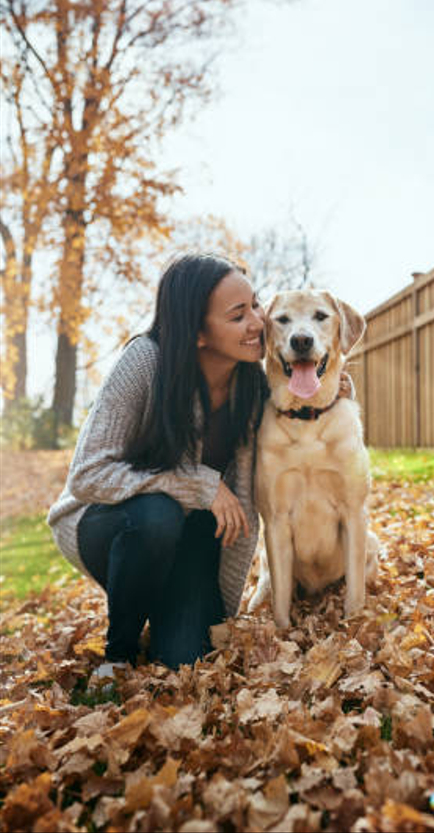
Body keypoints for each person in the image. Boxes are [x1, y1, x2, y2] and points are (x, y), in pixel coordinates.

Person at [48, 253, 270, 675]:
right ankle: (119, 655)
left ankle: (159, 607)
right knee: (157, 514)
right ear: (198, 333)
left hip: (190, 541)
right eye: (238, 316)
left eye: (256, 305)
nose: (258, 322)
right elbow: (87, 475)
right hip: (111, 523)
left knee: (187, 660)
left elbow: (302, 411)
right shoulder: (145, 362)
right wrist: (197, 485)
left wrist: (331, 393)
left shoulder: (254, 387)